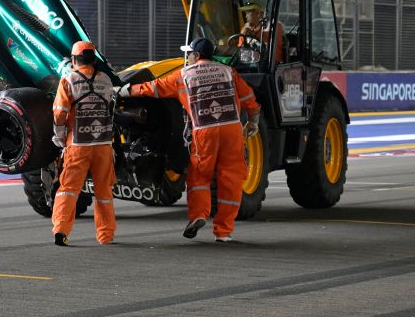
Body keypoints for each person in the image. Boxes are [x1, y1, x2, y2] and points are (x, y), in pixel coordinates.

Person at [121, 37, 261, 242]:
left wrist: (126, 90)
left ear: (196, 55)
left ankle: (198, 215)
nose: (188, 57)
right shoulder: (228, 72)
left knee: (199, 177)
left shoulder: (183, 75)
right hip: (232, 130)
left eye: (189, 54)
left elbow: (154, 88)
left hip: (205, 131)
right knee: (230, 179)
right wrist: (253, 122)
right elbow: (249, 98)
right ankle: (224, 232)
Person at [51, 41, 120, 246]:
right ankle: (106, 235)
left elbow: (60, 113)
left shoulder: (69, 80)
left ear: (74, 60)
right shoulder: (106, 80)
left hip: (78, 145)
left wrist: (59, 136)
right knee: (104, 192)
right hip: (103, 145)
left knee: (69, 189)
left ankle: (61, 231)